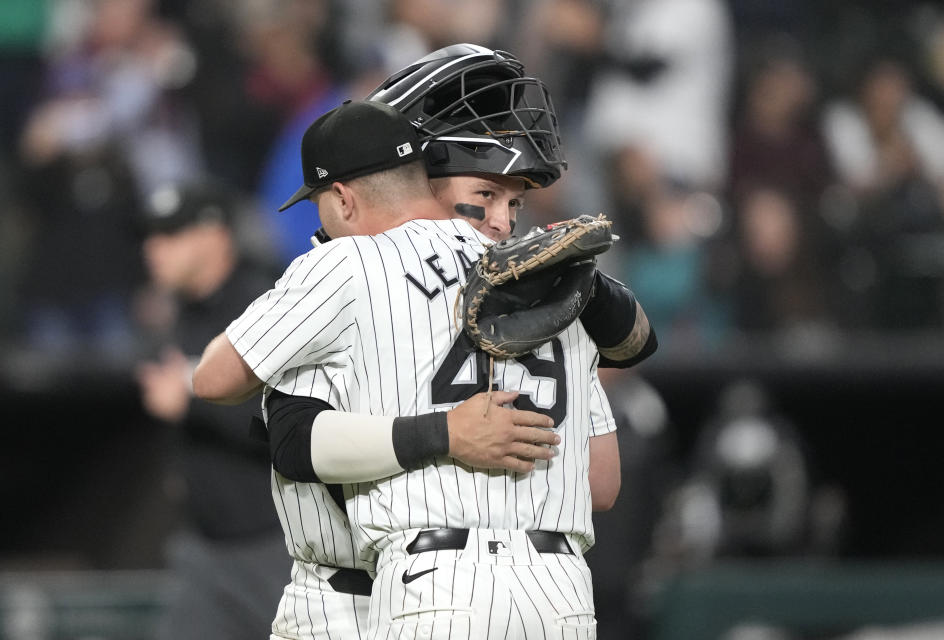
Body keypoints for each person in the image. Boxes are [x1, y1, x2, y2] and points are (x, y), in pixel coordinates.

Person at [193, 94, 639, 638]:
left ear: (341, 198)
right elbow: (601, 483)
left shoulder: (345, 263)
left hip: (427, 581)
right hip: (561, 587)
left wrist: (443, 435)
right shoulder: (549, 273)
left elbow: (215, 382)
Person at [133, 181, 288, 640]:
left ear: (216, 235)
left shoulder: (265, 305)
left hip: (275, 546)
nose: (153, 249)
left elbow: (290, 425)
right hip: (204, 549)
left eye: (171, 235)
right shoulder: (182, 315)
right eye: (151, 236)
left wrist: (193, 403)